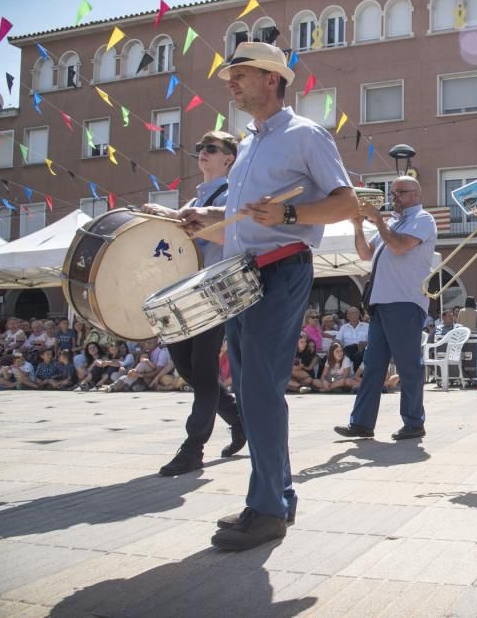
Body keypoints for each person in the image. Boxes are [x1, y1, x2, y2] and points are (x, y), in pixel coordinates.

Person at [180, 41, 357, 551]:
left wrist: (286, 215)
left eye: (241, 74)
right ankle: (278, 496)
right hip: (245, 272)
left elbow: (345, 202)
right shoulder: (250, 142)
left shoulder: (306, 134)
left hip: (280, 271)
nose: (230, 82)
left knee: (258, 390)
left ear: (273, 79)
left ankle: (266, 511)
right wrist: (206, 222)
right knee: (254, 388)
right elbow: (240, 228)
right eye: (230, 74)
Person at [142, 130, 248, 476]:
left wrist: (167, 215)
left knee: (202, 372)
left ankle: (193, 448)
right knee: (188, 369)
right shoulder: (193, 199)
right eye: (200, 147)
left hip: (213, 293)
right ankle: (238, 419)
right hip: (183, 292)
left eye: (211, 149)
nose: (202, 152)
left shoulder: (231, 194)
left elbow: (212, 226)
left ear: (229, 159)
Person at [335, 176, 437, 440]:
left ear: (416, 194)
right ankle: (361, 423)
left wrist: (378, 220)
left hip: (404, 302)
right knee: (372, 366)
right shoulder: (392, 222)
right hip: (382, 304)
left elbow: (400, 246)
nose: (395, 197)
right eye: (393, 192)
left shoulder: (423, 219)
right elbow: (365, 255)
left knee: (408, 365)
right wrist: (358, 226)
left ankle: (414, 422)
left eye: (400, 192)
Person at [336, 306, 369, 372]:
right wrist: (335, 344)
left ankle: (356, 376)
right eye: (348, 314)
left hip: (361, 348)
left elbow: (372, 340)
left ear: (358, 314)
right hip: (348, 349)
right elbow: (338, 339)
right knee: (343, 353)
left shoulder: (367, 326)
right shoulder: (344, 327)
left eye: (352, 313)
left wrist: (365, 343)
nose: (349, 315)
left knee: (359, 355)